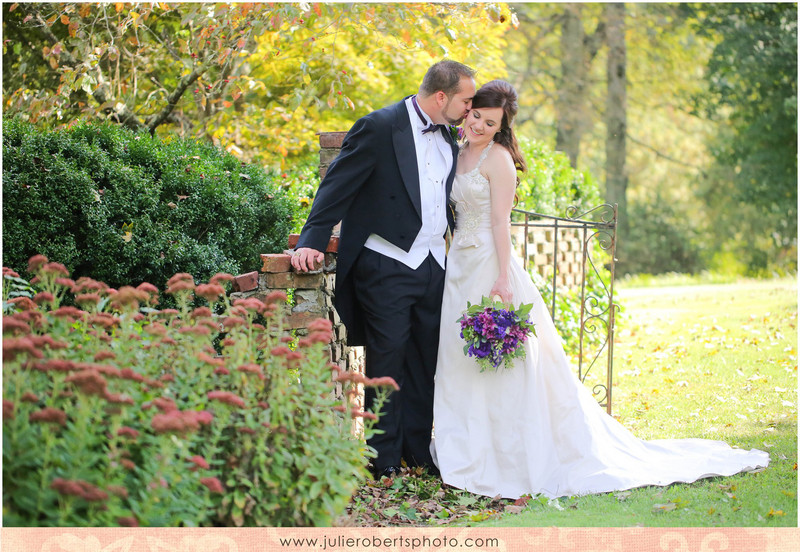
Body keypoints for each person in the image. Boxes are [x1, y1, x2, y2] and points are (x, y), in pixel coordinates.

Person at [431, 79, 769, 499]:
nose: (479, 125)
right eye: (477, 115)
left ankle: (504, 454)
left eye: (491, 122)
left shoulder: (497, 160)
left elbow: (501, 222)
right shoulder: (457, 151)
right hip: (458, 266)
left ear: (502, 128)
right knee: (460, 358)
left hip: (488, 264)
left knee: (504, 365)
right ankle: (465, 447)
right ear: (468, 111)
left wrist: (503, 277)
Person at [291, 60, 477, 479]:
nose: (470, 108)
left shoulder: (450, 137)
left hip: (434, 265)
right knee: (387, 361)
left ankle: (418, 453)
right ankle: (383, 460)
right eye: (466, 101)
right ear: (442, 96)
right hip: (386, 262)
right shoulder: (378, 126)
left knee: (424, 361)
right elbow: (337, 184)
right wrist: (311, 240)